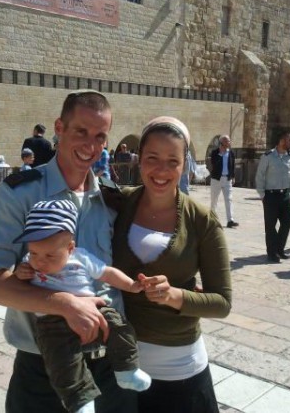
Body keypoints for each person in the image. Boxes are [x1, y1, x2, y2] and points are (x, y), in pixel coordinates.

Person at [0, 90, 138, 413]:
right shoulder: (20, 193)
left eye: (100, 136)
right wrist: (63, 304)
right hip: (45, 369)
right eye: (81, 131)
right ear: (59, 128)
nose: (90, 145)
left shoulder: (110, 197)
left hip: (109, 369)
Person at [112, 117, 232, 413]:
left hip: (179, 372)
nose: (162, 171)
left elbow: (222, 303)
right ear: (140, 159)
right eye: (152, 158)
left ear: (184, 164)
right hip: (120, 368)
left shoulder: (201, 220)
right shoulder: (118, 204)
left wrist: (174, 296)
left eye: (172, 161)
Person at [14, 199, 151, 413]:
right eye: (34, 253)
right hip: (52, 322)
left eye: (50, 255)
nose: (40, 261)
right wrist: (21, 273)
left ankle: (126, 369)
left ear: (70, 248)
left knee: (120, 326)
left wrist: (132, 285)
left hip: (94, 311)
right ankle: (80, 400)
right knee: (63, 361)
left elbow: (108, 273)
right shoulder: (29, 263)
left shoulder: (81, 258)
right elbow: (17, 282)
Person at [255, 131, 290, 262]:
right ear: (282, 141)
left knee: (287, 221)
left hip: (284, 195)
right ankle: (272, 253)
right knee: (270, 226)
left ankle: (279, 248)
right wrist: (262, 195)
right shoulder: (268, 156)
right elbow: (260, 175)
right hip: (271, 196)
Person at [208, 135, 239, 228]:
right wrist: (221, 154)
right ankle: (211, 219)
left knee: (229, 199)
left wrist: (233, 176)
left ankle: (230, 220)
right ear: (222, 142)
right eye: (227, 141)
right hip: (216, 179)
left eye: (229, 141)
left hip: (227, 179)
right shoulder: (215, 153)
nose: (229, 143)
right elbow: (214, 164)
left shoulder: (231, 153)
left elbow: (232, 165)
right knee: (214, 200)